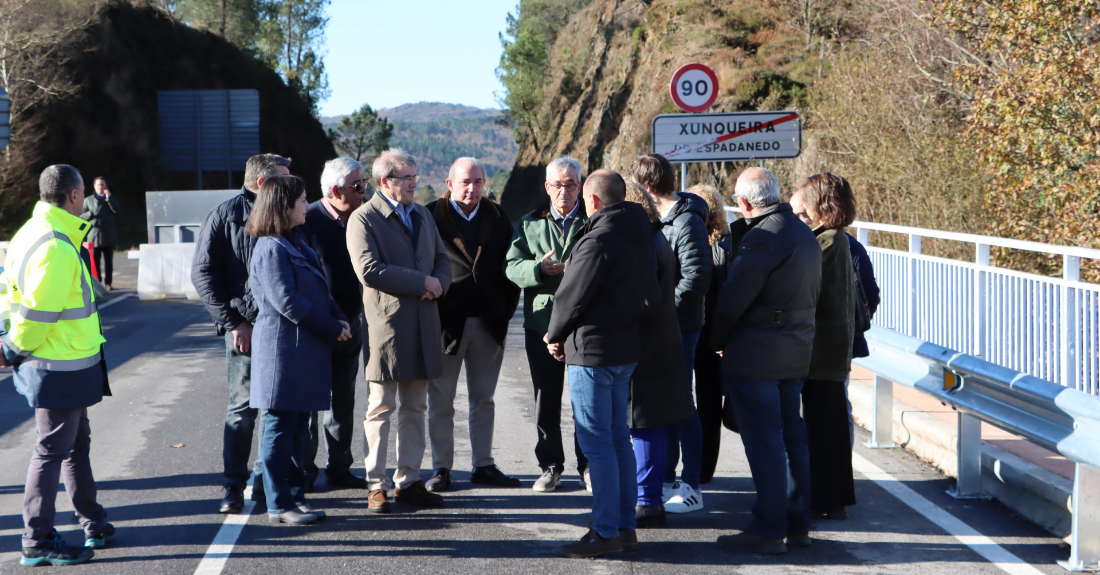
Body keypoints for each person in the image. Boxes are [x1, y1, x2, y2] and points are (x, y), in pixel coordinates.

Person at [2, 165, 114, 566]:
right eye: (83, 192)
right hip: (59, 367)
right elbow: (37, 314)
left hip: (60, 366)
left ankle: (93, 521)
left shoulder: (28, 234)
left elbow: (7, 295)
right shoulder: (55, 244)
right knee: (52, 450)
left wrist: (9, 342)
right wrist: (11, 349)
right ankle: (37, 540)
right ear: (73, 196)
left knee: (73, 445)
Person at [710, 167, 820, 554]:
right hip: (795, 350)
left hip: (758, 352)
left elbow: (735, 297)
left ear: (743, 203)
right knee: (792, 440)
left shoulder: (762, 237)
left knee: (766, 444)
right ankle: (796, 524)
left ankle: (770, 529)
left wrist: (716, 341)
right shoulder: (802, 232)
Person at [546, 169, 651, 558]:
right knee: (618, 438)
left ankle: (605, 531)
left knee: (598, 443)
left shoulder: (599, 239)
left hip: (593, 351)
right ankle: (625, 526)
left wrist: (553, 334)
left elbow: (570, 296)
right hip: (625, 348)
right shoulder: (641, 234)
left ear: (592, 201)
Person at [347, 148, 452, 513]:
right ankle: (376, 484)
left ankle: (408, 481)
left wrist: (438, 282)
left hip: (424, 322)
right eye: (406, 178)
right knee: (380, 407)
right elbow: (369, 270)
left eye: (414, 176)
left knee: (415, 407)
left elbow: (442, 258)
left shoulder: (423, 214)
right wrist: (420, 281)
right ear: (384, 182)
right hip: (387, 327)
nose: (413, 183)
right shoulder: (363, 219)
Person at [247, 175, 351, 525]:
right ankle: (278, 504)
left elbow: (320, 290)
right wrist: (332, 328)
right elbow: (287, 302)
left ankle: (294, 495)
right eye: (303, 200)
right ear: (284, 206)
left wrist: (338, 317)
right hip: (282, 354)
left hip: (302, 352)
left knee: (296, 429)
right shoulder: (270, 248)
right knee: (279, 428)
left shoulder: (296, 241)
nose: (308, 205)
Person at [192, 153, 291, 513]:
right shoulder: (225, 215)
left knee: (275, 409)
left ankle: (268, 485)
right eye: (284, 177)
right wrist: (234, 323)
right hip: (244, 330)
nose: (291, 183)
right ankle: (232, 486)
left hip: (282, 329)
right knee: (242, 408)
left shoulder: (288, 213)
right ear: (263, 183)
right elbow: (203, 274)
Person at [423, 158, 521, 492]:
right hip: (444, 324)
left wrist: (506, 310)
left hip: (489, 322)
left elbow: (512, 264)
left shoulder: (497, 215)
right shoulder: (429, 216)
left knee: (485, 399)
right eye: (466, 181)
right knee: (441, 401)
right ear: (449, 183)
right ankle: (441, 468)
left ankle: (484, 465)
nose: (472, 188)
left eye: (478, 182)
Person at [630, 153, 711, 514]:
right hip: (663, 325)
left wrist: (662, 311)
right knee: (663, 402)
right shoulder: (660, 218)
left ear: (647, 187)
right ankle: (663, 478)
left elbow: (696, 278)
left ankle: (691, 484)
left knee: (681, 403)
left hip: (681, 326)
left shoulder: (688, 220)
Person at [504, 156, 590, 493]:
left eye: (571, 184)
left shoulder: (592, 220)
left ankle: (588, 466)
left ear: (580, 186)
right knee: (545, 398)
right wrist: (537, 271)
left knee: (586, 401)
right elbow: (511, 267)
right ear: (547, 188)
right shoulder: (529, 224)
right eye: (558, 185)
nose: (564, 191)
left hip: (584, 326)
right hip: (541, 324)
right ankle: (551, 467)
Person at [623, 179, 694, 529]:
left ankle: (646, 500)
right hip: (663, 339)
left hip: (644, 343)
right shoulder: (658, 238)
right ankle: (649, 498)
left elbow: (641, 298)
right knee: (653, 423)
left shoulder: (642, 244)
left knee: (643, 423)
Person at [790, 174, 858, 520]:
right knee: (827, 428)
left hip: (822, 350)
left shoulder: (825, 241)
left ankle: (826, 500)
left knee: (822, 431)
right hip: (832, 349)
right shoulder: (836, 238)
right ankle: (832, 498)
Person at [300, 157, 369, 490]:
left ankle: (340, 466)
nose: (364, 191)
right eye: (358, 186)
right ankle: (305, 470)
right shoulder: (306, 219)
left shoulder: (362, 219)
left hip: (352, 322)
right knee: (312, 399)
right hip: (317, 324)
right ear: (336, 189)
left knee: (344, 397)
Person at [685, 183, 732, 484]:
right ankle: (686, 462)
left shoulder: (726, 246)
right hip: (688, 331)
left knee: (710, 404)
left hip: (712, 338)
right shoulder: (683, 238)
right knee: (680, 400)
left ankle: (704, 468)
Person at [80, 177, 120, 290]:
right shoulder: (88, 200)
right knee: (95, 262)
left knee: (109, 262)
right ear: (94, 186)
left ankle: (108, 283)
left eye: (102, 185)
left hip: (108, 235)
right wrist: (91, 214)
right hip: (94, 235)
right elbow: (81, 215)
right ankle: (97, 283)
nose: (100, 187)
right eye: (98, 185)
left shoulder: (111, 199)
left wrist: (109, 199)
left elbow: (117, 210)